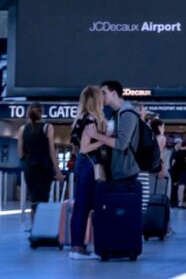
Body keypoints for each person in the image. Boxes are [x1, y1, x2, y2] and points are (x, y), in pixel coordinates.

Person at [69, 86, 107, 260]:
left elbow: (78, 147)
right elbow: (85, 148)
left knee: (79, 207)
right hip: (90, 166)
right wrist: (104, 141)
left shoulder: (79, 119)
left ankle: (76, 245)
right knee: (85, 207)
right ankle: (78, 248)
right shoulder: (91, 119)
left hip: (81, 165)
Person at [85, 81, 140, 183]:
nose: (101, 96)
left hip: (125, 174)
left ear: (114, 93)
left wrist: (96, 135)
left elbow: (121, 143)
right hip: (116, 172)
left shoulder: (128, 114)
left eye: (104, 93)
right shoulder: (114, 115)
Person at [17, 102, 63, 222]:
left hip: (30, 169)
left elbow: (20, 154)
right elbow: (51, 151)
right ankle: (41, 230)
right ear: (41, 113)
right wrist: (58, 172)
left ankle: (34, 231)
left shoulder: (22, 129)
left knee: (34, 201)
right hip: (44, 168)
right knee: (43, 200)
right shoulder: (47, 127)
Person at [171, 141, 186, 208]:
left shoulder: (177, 153)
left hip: (179, 172)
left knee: (180, 188)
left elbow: (173, 163)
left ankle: (180, 203)